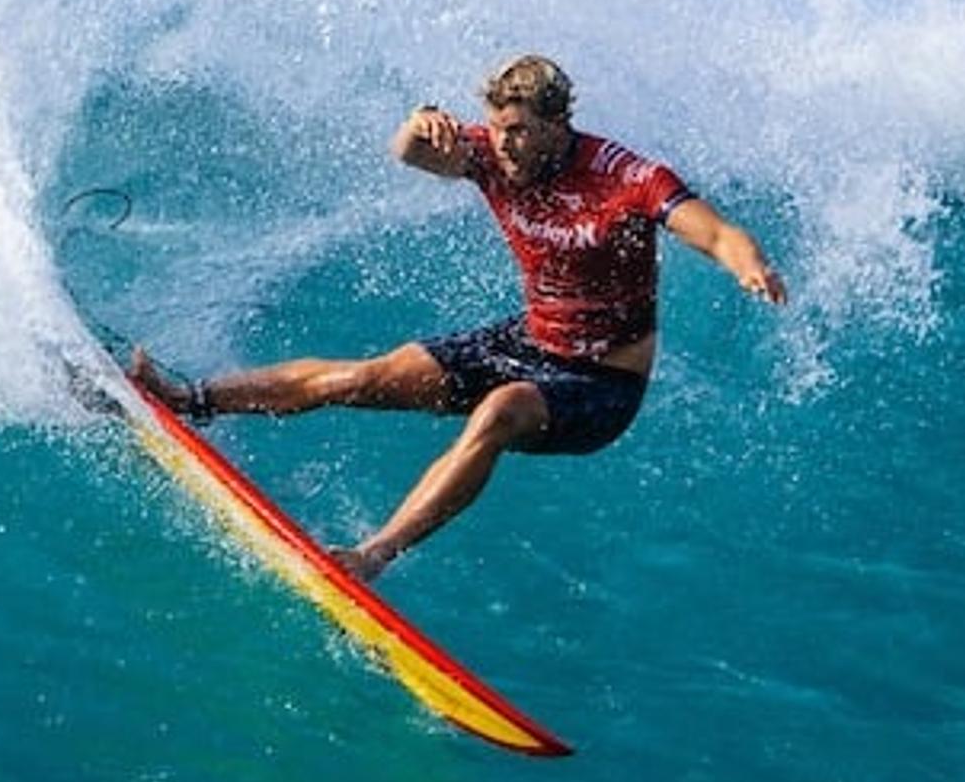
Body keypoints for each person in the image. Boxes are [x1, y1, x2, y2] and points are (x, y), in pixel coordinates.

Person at [131, 53, 788, 578]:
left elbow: (716, 232)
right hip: (529, 341)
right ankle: (190, 397)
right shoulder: (492, 150)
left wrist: (747, 264)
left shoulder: (625, 177)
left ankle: (372, 556)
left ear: (559, 125)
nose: (502, 144)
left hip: (602, 385)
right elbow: (410, 153)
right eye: (497, 128)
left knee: (500, 411)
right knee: (363, 377)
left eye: (520, 131)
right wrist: (419, 123)